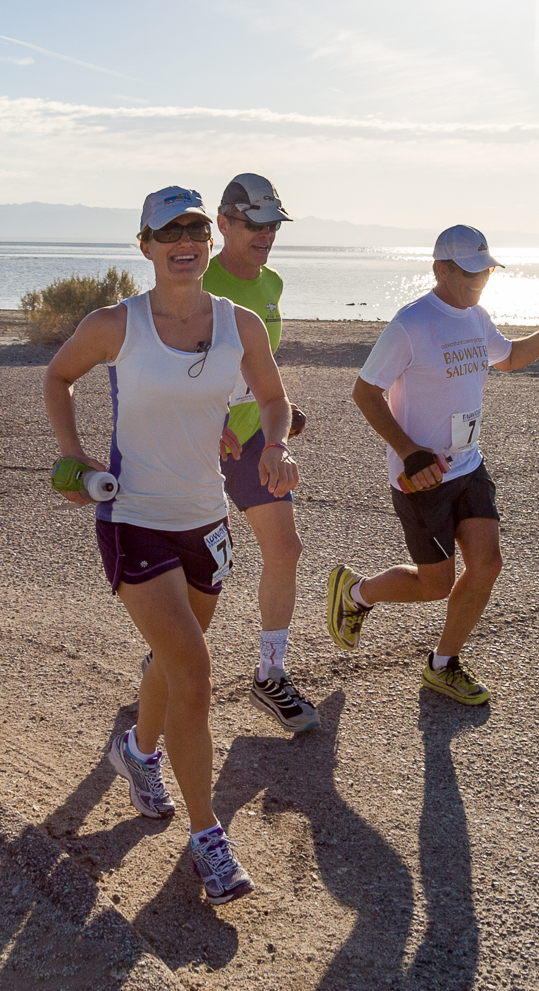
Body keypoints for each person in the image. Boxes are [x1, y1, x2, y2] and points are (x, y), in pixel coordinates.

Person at [43, 185, 297, 906]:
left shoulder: (240, 324)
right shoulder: (113, 323)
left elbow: (272, 396)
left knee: (170, 658)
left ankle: (137, 754)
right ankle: (208, 840)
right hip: (132, 517)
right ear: (146, 245)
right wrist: (76, 458)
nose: (184, 240)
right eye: (168, 231)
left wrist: (273, 442)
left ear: (208, 240)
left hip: (205, 519)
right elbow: (58, 377)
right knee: (193, 672)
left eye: (194, 228)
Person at [325, 224, 539, 706]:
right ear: (440, 269)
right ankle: (356, 594)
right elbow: (365, 392)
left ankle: (442, 664)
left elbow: (507, 359)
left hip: (468, 464)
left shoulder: (476, 317)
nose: (480, 281)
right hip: (420, 477)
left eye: (486, 271)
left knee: (488, 564)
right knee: (435, 584)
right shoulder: (411, 323)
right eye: (470, 273)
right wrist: (410, 451)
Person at [200, 172, 320, 734]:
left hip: (250, 438)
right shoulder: (197, 282)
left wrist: (277, 423)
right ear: (224, 223)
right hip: (192, 443)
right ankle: (167, 660)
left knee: (286, 548)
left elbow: (262, 368)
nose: (267, 235)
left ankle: (269, 673)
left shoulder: (271, 283)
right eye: (255, 224)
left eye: (274, 224)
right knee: (198, 566)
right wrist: (204, 421)